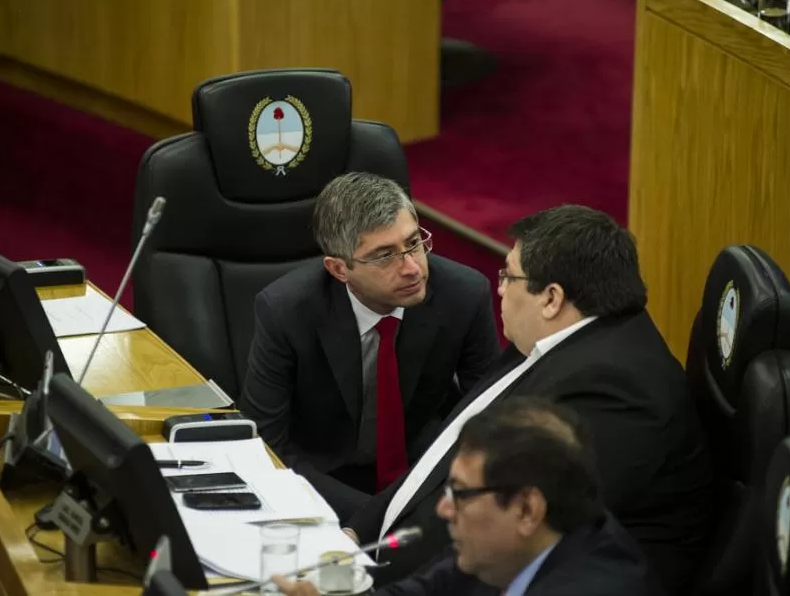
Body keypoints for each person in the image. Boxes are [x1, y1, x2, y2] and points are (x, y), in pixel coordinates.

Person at [344, 204, 714, 595]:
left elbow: (508, 540)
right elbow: (440, 457)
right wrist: (356, 532)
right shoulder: (552, 341)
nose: (499, 287)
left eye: (508, 276)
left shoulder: (617, 391)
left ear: (551, 298)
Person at [239, 173, 500, 521]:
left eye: (413, 243)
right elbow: (265, 443)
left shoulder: (464, 294)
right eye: (384, 256)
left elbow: (489, 415)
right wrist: (371, 516)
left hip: (421, 474)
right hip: (324, 481)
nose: (411, 268)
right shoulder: (286, 311)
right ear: (339, 269)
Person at [272, 398, 654, 596]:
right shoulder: (499, 552)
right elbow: (422, 592)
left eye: (460, 493)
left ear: (527, 509)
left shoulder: (595, 586)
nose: (443, 508)